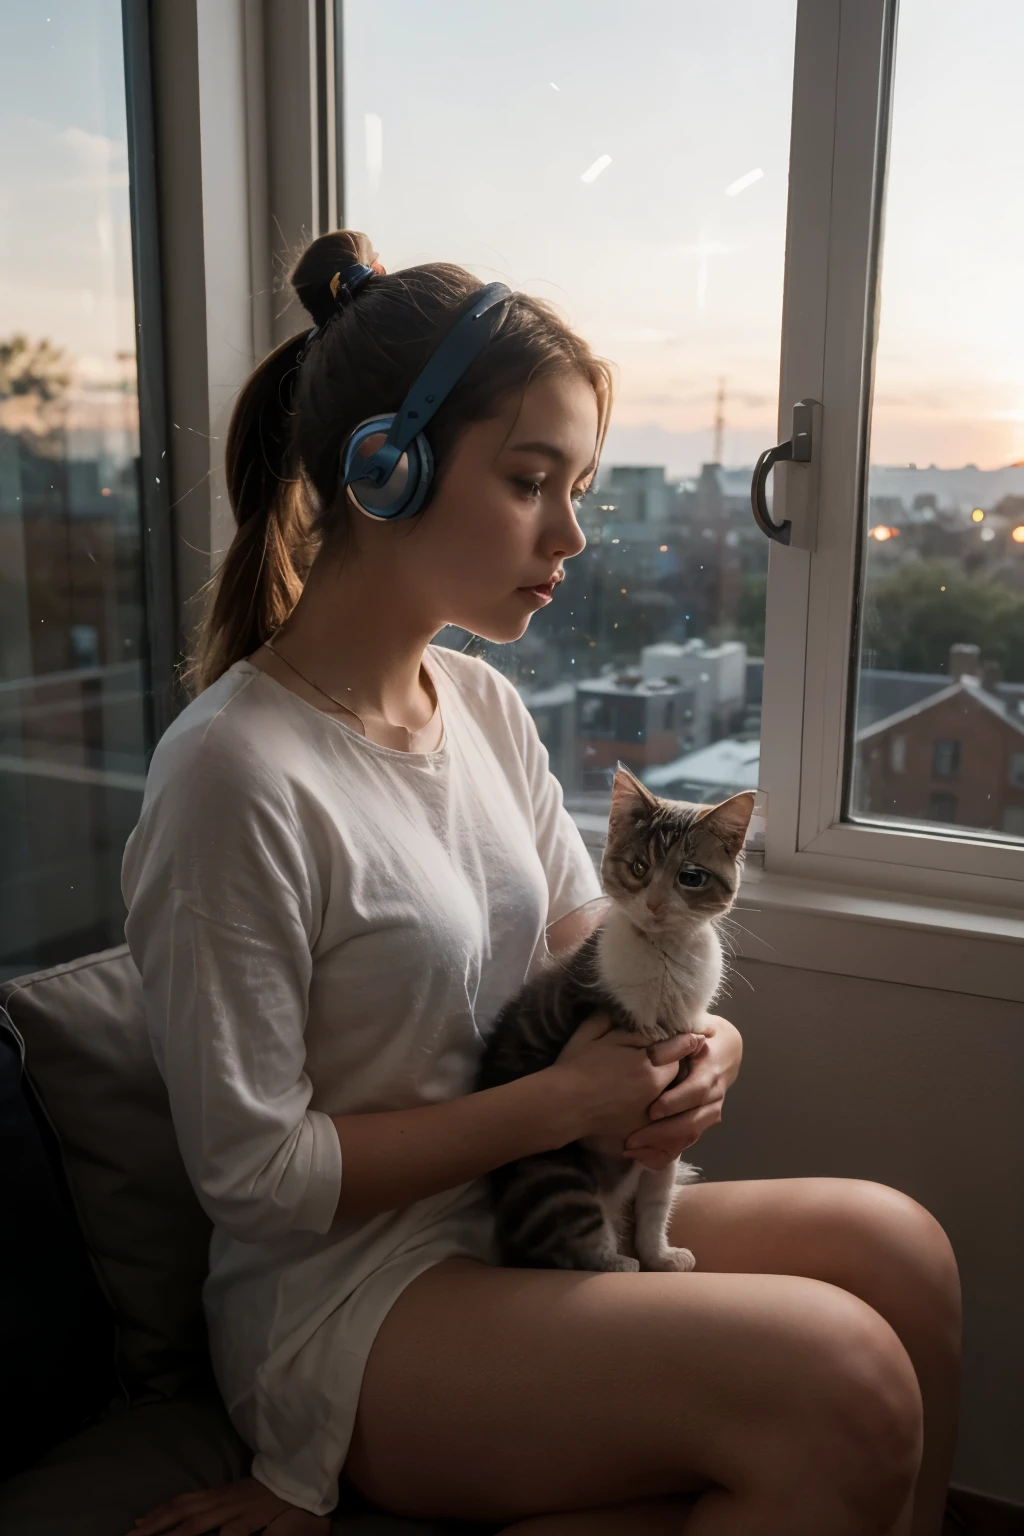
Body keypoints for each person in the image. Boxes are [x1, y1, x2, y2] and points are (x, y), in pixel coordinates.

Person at [122, 230, 960, 1536]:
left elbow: (582, 941)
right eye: (531, 481)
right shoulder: (236, 775)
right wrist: (560, 1102)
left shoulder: (485, 707)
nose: (572, 530)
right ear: (382, 473)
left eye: (580, 486)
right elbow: (258, 1178)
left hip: (524, 1206)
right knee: (839, 1377)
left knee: (898, 1250)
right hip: (357, 1298)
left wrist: (703, 1046)